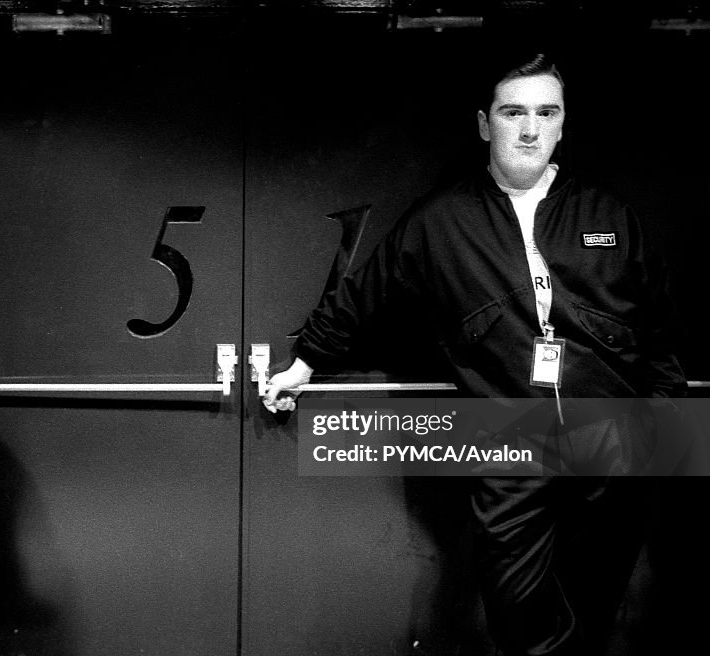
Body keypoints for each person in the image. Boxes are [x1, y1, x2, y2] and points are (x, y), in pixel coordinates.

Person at [262, 53, 686, 655]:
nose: (530, 129)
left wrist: (662, 429)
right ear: (486, 124)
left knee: (595, 609)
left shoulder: (607, 215)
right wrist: (305, 362)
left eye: (547, 112)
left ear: (564, 124)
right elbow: (364, 294)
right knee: (519, 616)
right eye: (514, 112)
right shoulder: (443, 219)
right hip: (512, 438)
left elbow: (659, 326)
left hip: (613, 436)